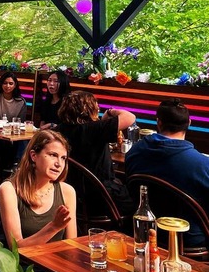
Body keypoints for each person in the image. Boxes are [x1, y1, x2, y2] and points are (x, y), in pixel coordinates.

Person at [0, 130, 90, 272]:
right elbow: (17, 250)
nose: (59, 164)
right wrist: (53, 226)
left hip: (59, 269)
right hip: (25, 271)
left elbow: (72, 246)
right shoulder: (8, 189)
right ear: (33, 155)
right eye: (52, 155)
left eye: (63, 158)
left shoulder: (67, 191)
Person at [125, 99, 208, 248]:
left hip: (144, 231)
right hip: (188, 240)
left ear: (159, 122)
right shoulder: (201, 165)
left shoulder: (134, 152)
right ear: (189, 123)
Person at [56, 91, 136, 214]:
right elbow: (130, 117)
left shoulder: (59, 130)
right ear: (88, 109)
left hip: (70, 193)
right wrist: (110, 112)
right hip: (101, 196)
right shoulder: (94, 129)